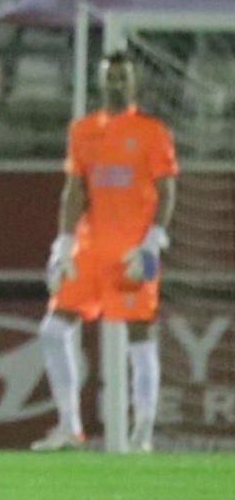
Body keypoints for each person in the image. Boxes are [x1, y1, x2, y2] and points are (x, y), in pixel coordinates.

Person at [34, 52, 178, 452]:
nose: (116, 83)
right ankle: (69, 426)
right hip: (89, 248)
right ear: (100, 80)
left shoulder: (151, 131)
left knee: (140, 334)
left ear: (134, 83)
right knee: (53, 329)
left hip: (132, 250)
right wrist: (62, 244)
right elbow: (75, 189)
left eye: (123, 77)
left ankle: (143, 429)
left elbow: (166, 189)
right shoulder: (82, 130)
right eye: (110, 76)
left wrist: (153, 242)